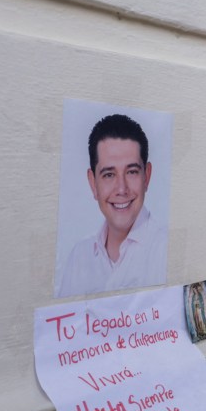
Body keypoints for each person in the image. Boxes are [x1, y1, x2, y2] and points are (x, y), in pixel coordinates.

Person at [57, 114, 168, 298]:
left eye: (132, 172)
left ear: (146, 177)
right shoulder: (79, 257)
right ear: (93, 183)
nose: (122, 189)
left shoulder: (167, 250)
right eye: (109, 175)